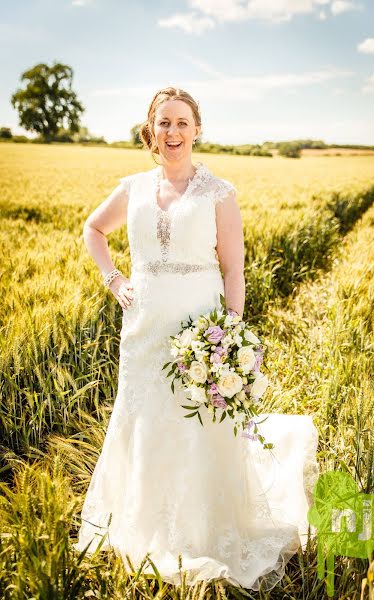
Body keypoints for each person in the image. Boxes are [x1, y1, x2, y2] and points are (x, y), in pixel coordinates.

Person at [73, 86, 320, 592]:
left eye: (182, 122)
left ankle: (204, 528)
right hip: (143, 331)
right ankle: (144, 525)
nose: (173, 132)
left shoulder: (219, 193)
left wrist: (229, 334)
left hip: (199, 332)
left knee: (200, 425)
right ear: (151, 130)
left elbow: (234, 270)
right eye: (163, 123)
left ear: (197, 128)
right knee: (144, 420)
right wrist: (114, 280)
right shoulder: (133, 188)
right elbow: (93, 230)